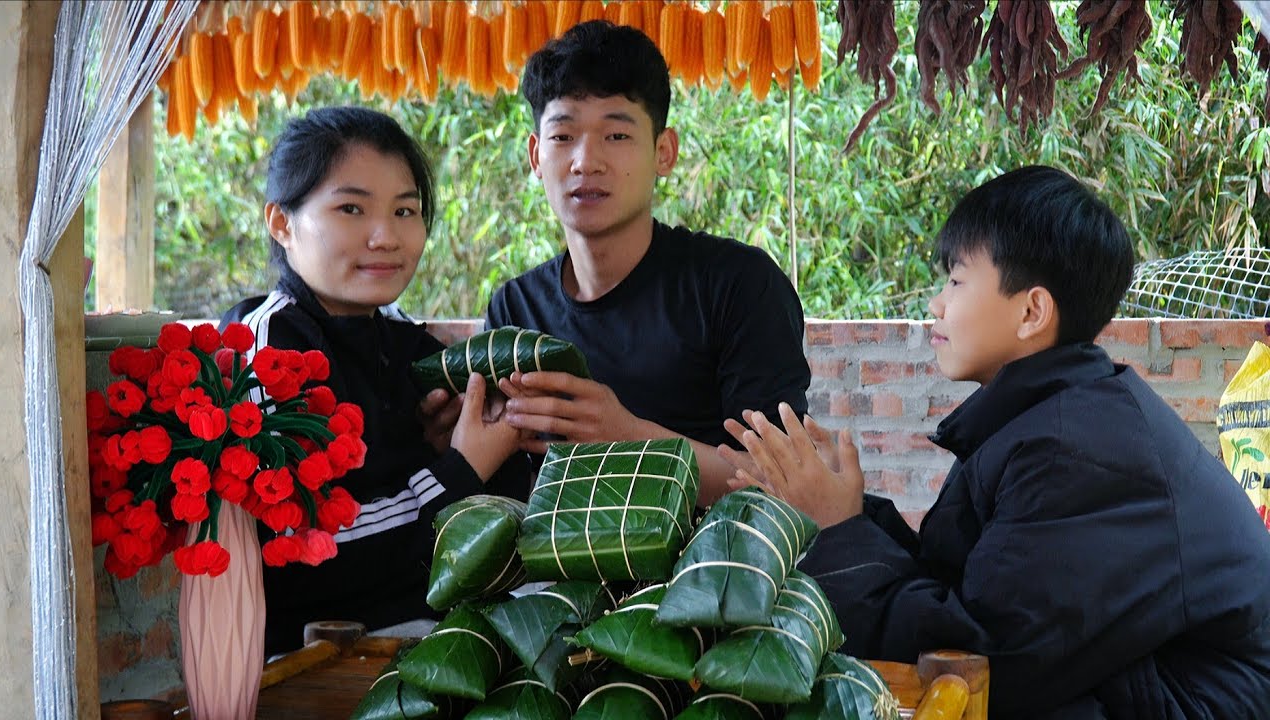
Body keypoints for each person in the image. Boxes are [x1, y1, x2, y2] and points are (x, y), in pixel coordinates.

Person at [730, 166, 1270, 718]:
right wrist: (840, 508)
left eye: (957, 281)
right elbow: (961, 584)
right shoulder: (1049, 418)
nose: (937, 304)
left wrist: (839, 531)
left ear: (1031, 312)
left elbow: (983, 658)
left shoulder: (1079, 450)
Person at [220, 106, 529, 655]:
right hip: (320, 662)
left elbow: (505, 506)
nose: (386, 237)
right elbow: (305, 550)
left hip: (436, 634)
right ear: (282, 223)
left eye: (405, 210)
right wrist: (462, 469)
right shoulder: (265, 346)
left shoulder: (404, 341)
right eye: (351, 208)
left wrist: (499, 439)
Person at [486, 20, 810, 504]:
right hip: (564, 551)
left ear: (664, 152)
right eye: (563, 136)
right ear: (536, 156)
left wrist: (629, 437)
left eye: (616, 135)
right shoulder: (515, 311)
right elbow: (508, 491)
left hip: (719, 552)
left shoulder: (739, 284)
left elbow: (781, 482)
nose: (585, 161)